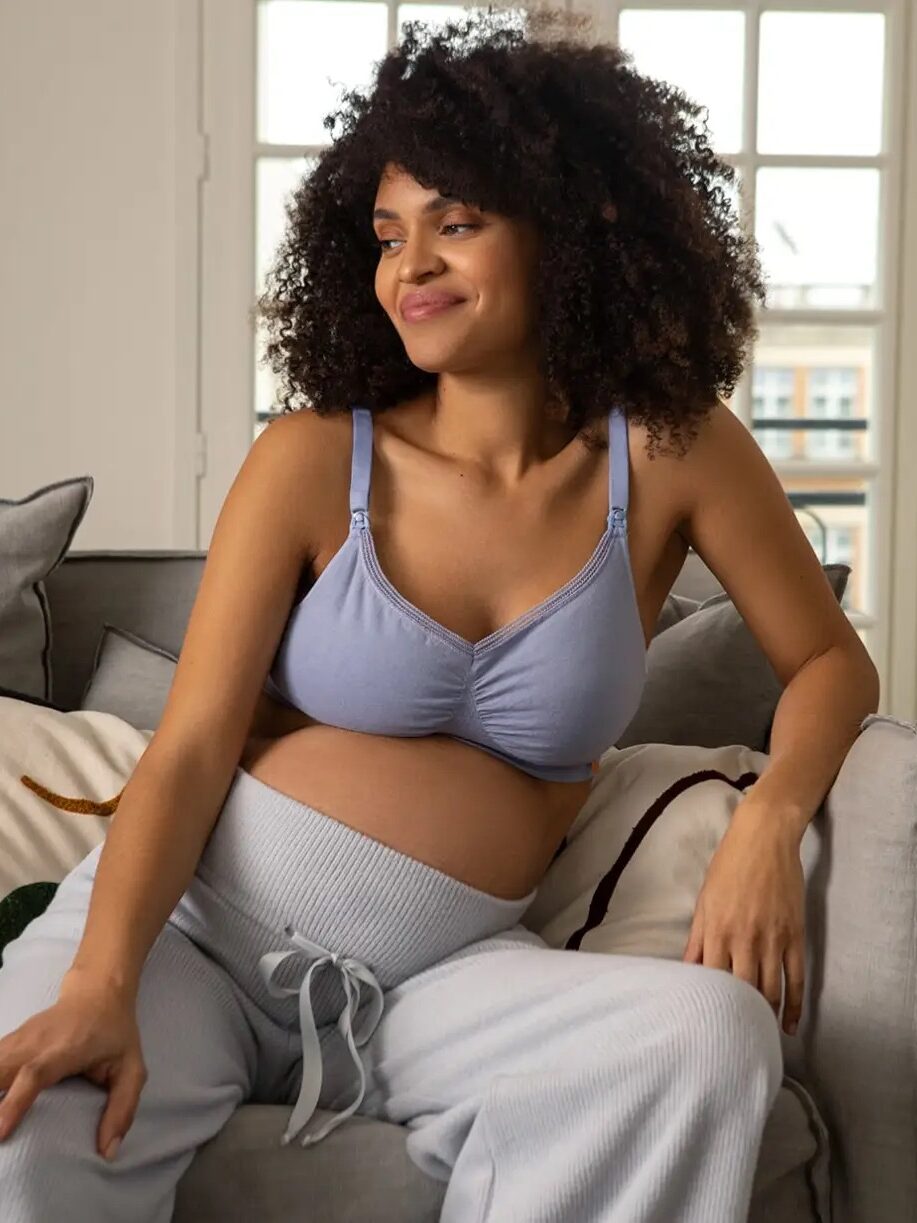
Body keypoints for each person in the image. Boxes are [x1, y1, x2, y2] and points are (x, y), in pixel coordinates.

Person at [0, 7, 879, 1221]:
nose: (408, 267)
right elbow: (192, 745)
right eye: (385, 233)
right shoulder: (313, 461)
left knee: (703, 1034)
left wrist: (768, 823)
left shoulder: (669, 450)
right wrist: (104, 975)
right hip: (191, 939)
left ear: (571, 230)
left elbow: (829, 660)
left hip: (445, 980)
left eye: (455, 225)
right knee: (23, 1122)